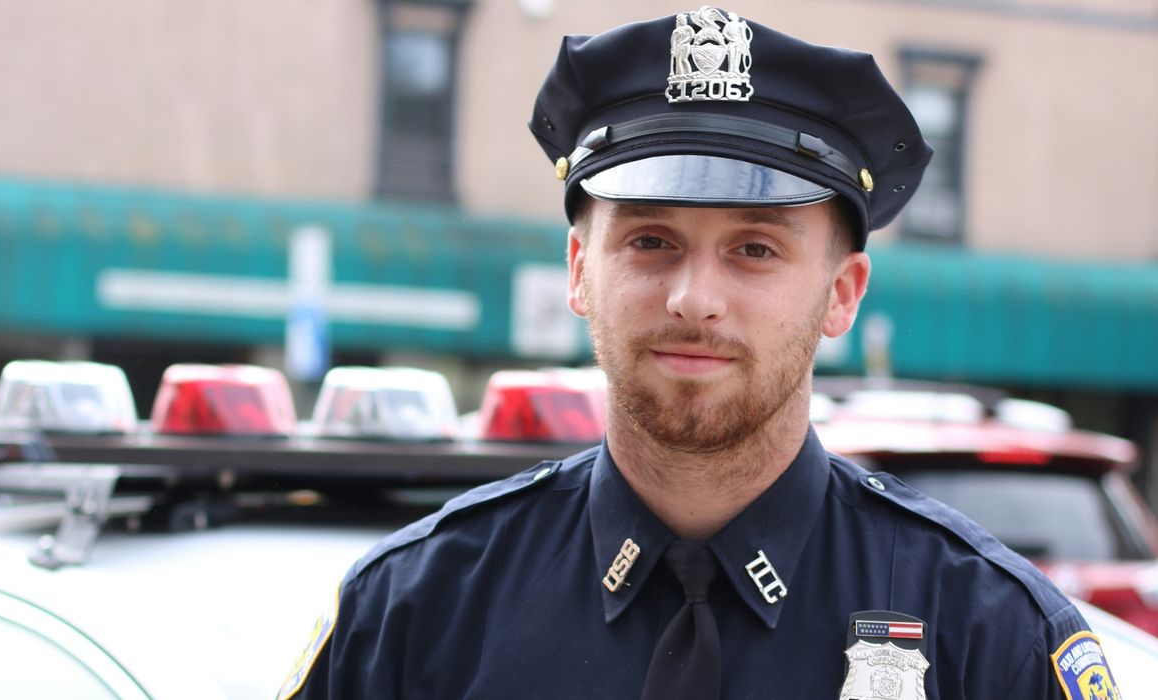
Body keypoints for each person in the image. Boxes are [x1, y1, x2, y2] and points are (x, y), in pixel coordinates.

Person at [279, 9, 1118, 699]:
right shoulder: (411, 616)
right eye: (649, 240)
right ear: (579, 271)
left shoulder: (992, 639)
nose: (693, 297)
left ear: (842, 295)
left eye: (754, 249)